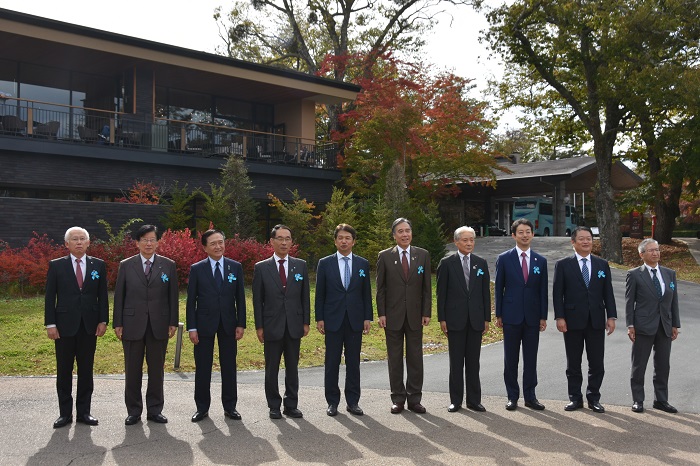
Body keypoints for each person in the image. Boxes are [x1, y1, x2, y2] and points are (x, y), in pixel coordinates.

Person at [113, 225, 179, 425]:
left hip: (159, 324)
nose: (149, 243)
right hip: (132, 324)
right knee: (132, 370)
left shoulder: (168, 265)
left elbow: (173, 296)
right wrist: (118, 322)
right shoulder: (126, 265)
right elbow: (119, 296)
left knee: (156, 370)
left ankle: (155, 410)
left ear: (158, 242)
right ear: (137, 243)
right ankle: (133, 411)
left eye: (152, 240)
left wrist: (172, 321)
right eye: (144, 240)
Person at [45, 226, 108, 428]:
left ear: (89, 243)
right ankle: (65, 414)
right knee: (64, 370)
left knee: (86, 370)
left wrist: (103, 320)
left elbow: (103, 296)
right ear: (67, 244)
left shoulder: (98, 265)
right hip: (63, 327)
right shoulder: (56, 266)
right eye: (74, 239)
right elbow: (49, 297)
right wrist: (51, 324)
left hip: (89, 326)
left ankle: (84, 412)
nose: (79, 242)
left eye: (82, 239)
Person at [552, 226, 616, 413]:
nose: (586, 241)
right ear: (573, 242)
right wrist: (560, 317)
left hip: (596, 320)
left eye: (589, 238)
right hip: (572, 321)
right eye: (581, 239)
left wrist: (611, 316)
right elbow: (558, 294)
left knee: (597, 362)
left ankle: (593, 397)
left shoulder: (601, 264)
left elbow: (608, 293)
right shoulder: (563, 264)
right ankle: (575, 398)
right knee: (573, 362)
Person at [187, 229, 246, 422]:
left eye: (220, 242)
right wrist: (192, 327)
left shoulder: (235, 267)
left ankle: (230, 406)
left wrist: (241, 323)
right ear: (204, 247)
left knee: (229, 366)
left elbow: (240, 298)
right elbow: (191, 301)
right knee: (203, 367)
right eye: (213, 243)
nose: (218, 246)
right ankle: (202, 408)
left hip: (229, 323)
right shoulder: (197, 269)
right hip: (204, 324)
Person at [253, 224, 311, 419]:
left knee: (292, 367)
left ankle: (291, 404)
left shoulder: (300, 265)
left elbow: (305, 297)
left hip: (294, 324)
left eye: (288, 238)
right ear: (272, 242)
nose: (284, 242)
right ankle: (274, 405)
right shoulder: (261, 268)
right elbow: (257, 300)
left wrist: (306, 322)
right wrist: (259, 326)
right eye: (280, 238)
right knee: (272, 368)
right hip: (271, 325)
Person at [315, 224, 373, 417]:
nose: (344, 241)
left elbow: (366, 293)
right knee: (331, 362)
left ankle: (353, 401)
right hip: (332, 319)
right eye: (340, 237)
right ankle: (332, 402)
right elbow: (320, 293)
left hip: (355, 319)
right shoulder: (325, 263)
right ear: (335, 241)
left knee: (353, 362)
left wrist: (367, 317)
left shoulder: (362, 264)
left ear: (353, 241)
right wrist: (319, 317)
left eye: (348, 237)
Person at [376, 217, 432, 414]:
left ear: (411, 233)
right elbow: (380, 288)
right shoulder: (384, 256)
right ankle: (398, 398)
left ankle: (415, 398)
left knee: (416, 358)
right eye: (400, 231)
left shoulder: (422, 255)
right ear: (394, 235)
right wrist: (381, 313)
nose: (404, 234)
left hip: (416, 315)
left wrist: (426, 312)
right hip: (392, 315)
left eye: (407, 230)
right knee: (395, 358)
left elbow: (427, 287)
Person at [495, 218, 548, 411]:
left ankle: (530, 396)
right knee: (511, 358)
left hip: (533, 317)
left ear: (533, 234)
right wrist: (499, 313)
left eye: (528, 232)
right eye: (521, 232)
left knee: (531, 358)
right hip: (510, 315)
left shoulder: (540, 261)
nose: (525, 235)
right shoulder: (504, 258)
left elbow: (543, 291)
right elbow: (498, 288)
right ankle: (512, 396)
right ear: (513, 235)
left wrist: (543, 316)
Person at [437, 226, 491, 413]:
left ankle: (474, 400)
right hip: (454, 319)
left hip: (476, 319)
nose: (469, 243)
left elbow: (485, 293)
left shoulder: (480, 263)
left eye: (472, 240)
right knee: (456, 362)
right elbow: (441, 293)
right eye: (465, 240)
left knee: (473, 362)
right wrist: (442, 318)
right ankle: (456, 400)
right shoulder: (447, 263)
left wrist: (486, 318)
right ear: (456, 242)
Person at [626, 238, 681, 414]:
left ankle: (661, 400)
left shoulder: (669, 273)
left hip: (664, 325)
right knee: (639, 365)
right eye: (651, 250)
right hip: (643, 325)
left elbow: (674, 301)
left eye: (657, 250)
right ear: (641, 254)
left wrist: (675, 324)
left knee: (663, 365)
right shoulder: (634, 274)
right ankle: (638, 400)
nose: (656, 253)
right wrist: (630, 325)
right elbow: (629, 302)